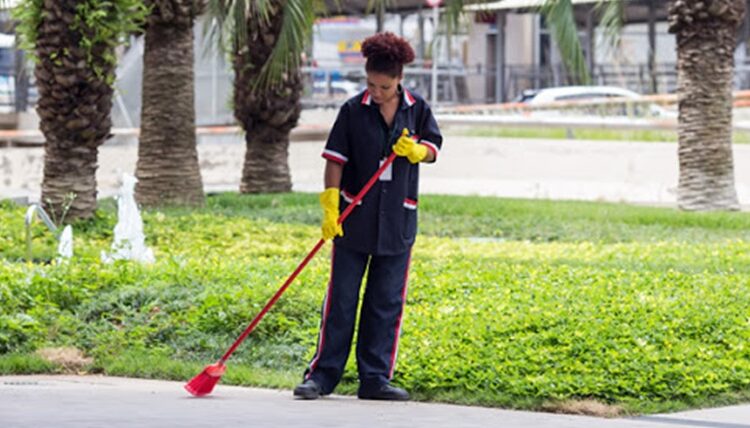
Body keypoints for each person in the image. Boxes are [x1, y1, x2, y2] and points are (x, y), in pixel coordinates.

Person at [293, 32, 442, 401]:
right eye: (371, 84)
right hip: (353, 218)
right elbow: (335, 160)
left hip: (397, 221)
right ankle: (322, 376)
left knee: (385, 301)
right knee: (341, 300)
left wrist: (417, 152)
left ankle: (374, 378)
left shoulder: (417, 108)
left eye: (384, 86)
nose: (376, 92)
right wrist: (331, 205)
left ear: (399, 79)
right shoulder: (351, 110)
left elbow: (435, 147)